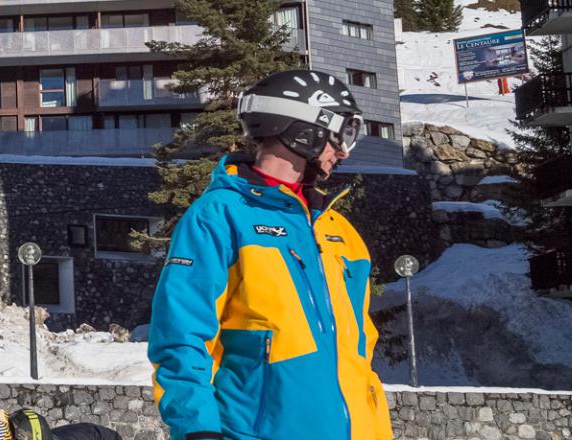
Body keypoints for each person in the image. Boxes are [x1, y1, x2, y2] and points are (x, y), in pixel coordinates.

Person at [147, 70, 392, 440]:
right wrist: (199, 430)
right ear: (304, 131)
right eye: (341, 134)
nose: (342, 151)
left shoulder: (339, 230)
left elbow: (361, 346)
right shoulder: (221, 215)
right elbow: (183, 337)